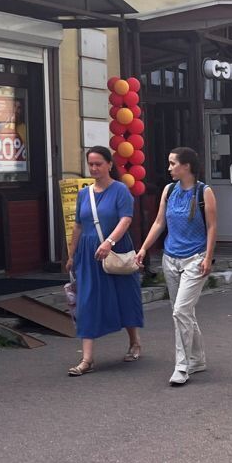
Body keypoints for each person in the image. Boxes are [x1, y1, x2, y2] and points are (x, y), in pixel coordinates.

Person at [134, 147, 217, 386]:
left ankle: (182, 366)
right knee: (183, 312)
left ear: (187, 166)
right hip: (170, 258)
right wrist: (144, 248)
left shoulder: (204, 192)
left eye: (173, 163)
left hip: (195, 258)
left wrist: (208, 257)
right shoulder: (169, 190)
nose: (169, 168)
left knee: (180, 310)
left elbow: (212, 226)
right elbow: (160, 222)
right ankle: (198, 358)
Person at [64, 147, 143, 376]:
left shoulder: (120, 191)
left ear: (110, 164)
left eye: (99, 163)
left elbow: (126, 219)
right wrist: (71, 254)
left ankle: (134, 341)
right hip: (88, 255)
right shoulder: (84, 194)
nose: (94, 168)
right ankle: (87, 359)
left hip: (116, 250)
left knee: (124, 296)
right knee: (86, 301)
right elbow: (78, 225)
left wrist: (109, 242)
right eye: (91, 164)